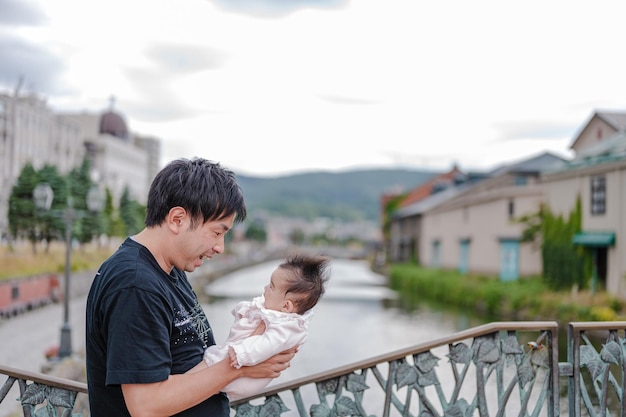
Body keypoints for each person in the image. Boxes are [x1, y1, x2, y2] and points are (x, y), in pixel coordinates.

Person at [85, 157, 296, 417]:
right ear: (177, 219)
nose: (220, 247)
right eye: (217, 233)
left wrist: (250, 348)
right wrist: (239, 365)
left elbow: (190, 367)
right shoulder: (135, 284)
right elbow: (146, 405)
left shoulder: (170, 269)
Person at [188, 254, 330, 401]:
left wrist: (241, 353)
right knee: (209, 363)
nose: (265, 288)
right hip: (236, 364)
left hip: (243, 374)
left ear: (286, 305)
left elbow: (266, 345)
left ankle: (177, 388)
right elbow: (253, 308)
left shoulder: (289, 328)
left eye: (271, 287)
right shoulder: (275, 311)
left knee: (209, 362)